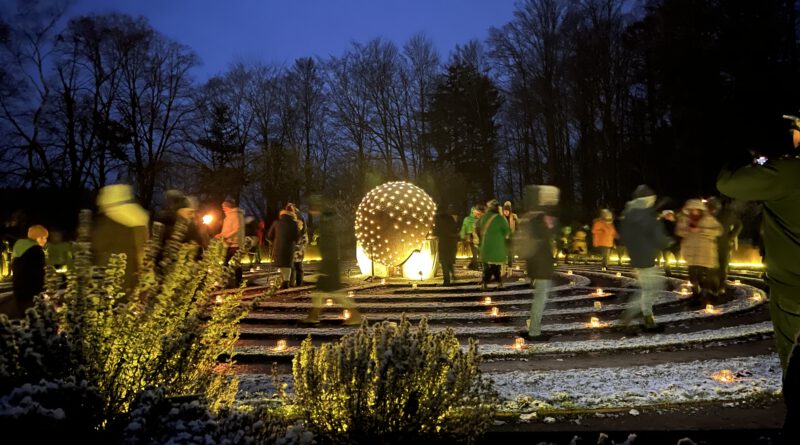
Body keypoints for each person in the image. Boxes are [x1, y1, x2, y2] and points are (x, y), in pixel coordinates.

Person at [717, 115, 800, 376]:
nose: (793, 135)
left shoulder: (789, 172)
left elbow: (728, 183)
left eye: (796, 129)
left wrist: (739, 156)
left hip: (794, 289)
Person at [300, 197, 362, 325]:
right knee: (323, 293)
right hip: (330, 263)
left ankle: (354, 316)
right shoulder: (327, 221)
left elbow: (329, 245)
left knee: (336, 293)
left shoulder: (326, 223)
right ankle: (313, 315)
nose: (310, 212)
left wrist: (326, 266)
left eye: (311, 209)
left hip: (330, 264)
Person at [619, 184, 670, 332]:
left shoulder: (629, 214)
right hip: (647, 257)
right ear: (649, 200)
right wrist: (667, 242)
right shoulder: (648, 216)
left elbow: (624, 237)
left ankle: (645, 318)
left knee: (648, 288)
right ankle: (634, 317)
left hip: (636, 256)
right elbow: (659, 239)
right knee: (652, 288)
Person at [92, 184, 149, 294]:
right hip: (131, 273)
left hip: (109, 273)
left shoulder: (108, 221)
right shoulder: (138, 219)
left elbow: (97, 244)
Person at [520, 185, 559, 340]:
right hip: (541, 264)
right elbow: (549, 235)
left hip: (535, 264)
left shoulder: (530, 218)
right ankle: (534, 331)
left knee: (540, 297)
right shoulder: (541, 219)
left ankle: (532, 327)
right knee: (541, 298)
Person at [675, 199, 723, 306]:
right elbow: (678, 231)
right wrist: (687, 230)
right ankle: (696, 296)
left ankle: (708, 296)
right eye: (692, 210)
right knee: (692, 277)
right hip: (690, 253)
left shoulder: (708, 219)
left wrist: (702, 230)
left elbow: (718, 231)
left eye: (696, 209)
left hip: (704, 252)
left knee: (704, 277)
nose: (694, 212)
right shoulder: (684, 219)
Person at [705, 197, 742, 293]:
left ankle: (721, 286)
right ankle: (712, 286)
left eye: (713, 208)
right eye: (709, 208)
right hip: (709, 245)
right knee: (711, 267)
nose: (711, 211)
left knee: (722, 266)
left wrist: (730, 237)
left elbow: (739, 225)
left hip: (723, 245)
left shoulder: (727, 214)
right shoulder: (706, 216)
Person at [11, 225, 48, 317]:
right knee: (35, 318)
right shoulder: (37, 251)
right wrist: (43, 289)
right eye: (43, 238)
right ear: (37, 238)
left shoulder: (19, 247)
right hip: (33, 290)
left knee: (24, 316)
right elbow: (39, 272)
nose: (45, 240)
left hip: (19, 288)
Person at [477, 199, 511, 290]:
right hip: (497, 247)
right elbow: (507, 232)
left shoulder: (483, 218)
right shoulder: (500, 218)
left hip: (486, 247)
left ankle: (493, 282)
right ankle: (489, 282)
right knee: (496, 266)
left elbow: (478, 227)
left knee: (489, 266)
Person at [268, 204, 300, 289]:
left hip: (278, 246)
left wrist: (274, 241)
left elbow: (269, 235)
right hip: (289, 247)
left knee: (281, 264)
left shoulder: (276, 223)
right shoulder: (294, 223)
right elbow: (296, 237)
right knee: (287, 264)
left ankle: (283, 281)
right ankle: (286, 281)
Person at [217, 197, 245, 287]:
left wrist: (225, 236)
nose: (222, 208)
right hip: (229, 243)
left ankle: (230, 282)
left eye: (223, 206)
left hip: (235, 243)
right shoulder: (228, 216)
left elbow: (237, 229)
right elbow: (227, 229)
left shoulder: (236, 215)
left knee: (230, 263)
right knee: (233, 263)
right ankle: (235, 282)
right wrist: (221, 235)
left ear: (228, 206)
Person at [433, 204, 460, 286]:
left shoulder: (438, 219)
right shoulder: (450, 218)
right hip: (451, 242)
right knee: (449, 260)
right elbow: (455, 228)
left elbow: (437, 231)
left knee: (444, 261)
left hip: (444, 242)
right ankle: (453, 275)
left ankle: (447, 281)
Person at [460, 205, 485, 270]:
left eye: (477, 213)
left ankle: (475, 265)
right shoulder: (467, 219)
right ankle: (476, 266)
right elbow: (464, 228)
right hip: (471, 236)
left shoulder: (479, 219)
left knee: (479, 252)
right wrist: (462, 236)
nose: (477, 214)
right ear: (472, 212)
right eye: (475, 212)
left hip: (478, 236)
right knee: (475, 252)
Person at [288, 203, 308, 287]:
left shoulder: (297, 219)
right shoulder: (299, 217)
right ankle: (297, 283)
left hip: (297, 244)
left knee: (295, 266)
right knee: (297, 266)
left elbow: (300, 231)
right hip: (299, 244)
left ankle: (294, 283)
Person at [658, 210, 681, 276]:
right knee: (666, 259)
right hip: (666, 244)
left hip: (675, 244)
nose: (670, 216)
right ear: (665, 216)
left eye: (671, 214)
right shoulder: (661, 223)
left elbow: (679, 233)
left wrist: (678, 240)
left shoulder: (676, 223)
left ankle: (678, 269)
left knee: (677, 257)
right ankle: (668, 272)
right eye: (668, 215)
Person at [502, 201, 519, 276]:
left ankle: (509, 271)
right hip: (503, 238)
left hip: (512, 238)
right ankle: (502, 270)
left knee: (510, 254)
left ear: (510, 210)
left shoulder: (514, 216)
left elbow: (518, 227)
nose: (506, 212)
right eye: (504, 211)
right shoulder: (501, 217)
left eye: (507, 211)